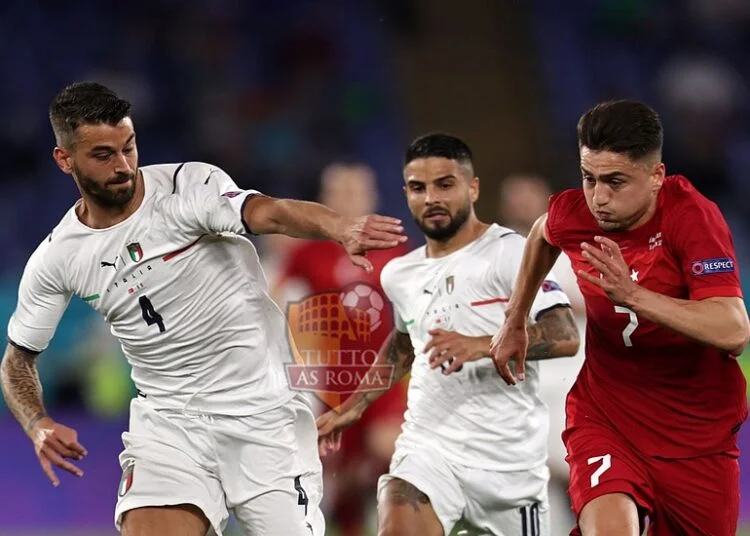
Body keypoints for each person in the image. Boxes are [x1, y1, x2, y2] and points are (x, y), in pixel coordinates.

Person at [0, 81, 406, 536]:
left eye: (129, 148)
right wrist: (36, 424)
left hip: (262, 416)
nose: (123, 166)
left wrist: (338, 226)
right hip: (171, 427)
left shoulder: (188, 186)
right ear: (64, 159)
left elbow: (267, 212)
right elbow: (17, 359)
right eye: (103, 155)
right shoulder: (59, 257)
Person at [490, 100, 750, 536]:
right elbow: (541, 233)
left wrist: (634, 296)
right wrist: (514, 320)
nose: (598, 197)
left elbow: (733, 328)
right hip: (608, 416)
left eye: (615, 182)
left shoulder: (692, 217)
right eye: (589, 178)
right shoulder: (577, 212)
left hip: (694, 433)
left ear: (656, 176)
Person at [317, 133, 581, 536]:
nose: (432, 199)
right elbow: (405, 342)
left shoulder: (512, 253)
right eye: (419, 188)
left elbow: (565, 335)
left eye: (445, 184)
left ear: (472, 187)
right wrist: (354, 406)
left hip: (506, 464)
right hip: (428, 448)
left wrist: (479, 345)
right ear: (405, 193)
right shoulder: (400, 273)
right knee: (398, 505)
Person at [271, 160, 409, 536]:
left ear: (372, 196)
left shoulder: (395, 247)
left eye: (356, 191)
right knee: (339, 480)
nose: (348, 199)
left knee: (391, 451)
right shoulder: (307, 252)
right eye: (340, 192)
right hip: (332, 383)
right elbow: (272, 299)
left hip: (384, 379)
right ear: (325, 199)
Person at [497, 173, 585, 532]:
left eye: (528, 196)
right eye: (514, 197)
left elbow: (593, 302)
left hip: (570, 378)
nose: (521, 204)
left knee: (573, 466)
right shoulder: (500, 252)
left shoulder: (572, 250)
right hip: (522, 380)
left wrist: (551, 294)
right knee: (533, 468)